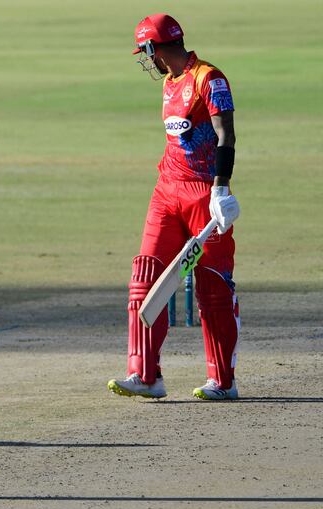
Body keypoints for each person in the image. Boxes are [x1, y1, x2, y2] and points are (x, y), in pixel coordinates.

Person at [107, 14, 241, 401]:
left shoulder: (209, 78)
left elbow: (225, 134)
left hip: (204, 193)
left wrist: (221, 190)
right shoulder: (169, 82)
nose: (146, 60)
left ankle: (222, 381)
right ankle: (145, 375)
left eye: (146, 52)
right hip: (167, 191)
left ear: (156, 48)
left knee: (213, 285)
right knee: (145, 276)